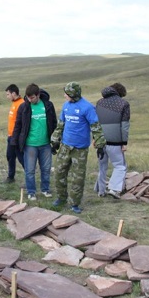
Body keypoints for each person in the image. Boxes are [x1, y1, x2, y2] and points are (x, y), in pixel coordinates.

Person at [50, 82, 106, 214]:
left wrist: (100, 145)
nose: (64, 95)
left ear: (73, 95)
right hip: (65, 146)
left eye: (67, 94)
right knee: (59, 173)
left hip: (79, 150)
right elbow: (60, 125)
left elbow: (96, 128)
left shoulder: (87, 108)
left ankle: (74, 203)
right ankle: (61, 198)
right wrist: (54, 141)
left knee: (78, 177)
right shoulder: (66, 106)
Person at [11, 83, 57, 201]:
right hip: (30, 144)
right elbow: (18, 125)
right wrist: (14, 141)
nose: (29, 100)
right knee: (30, 170)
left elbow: (54, 123)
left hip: (46, 144)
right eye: (28, 97)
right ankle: (31, 192)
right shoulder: (24, 107)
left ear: (38, 95)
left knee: (46, 169)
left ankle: (45, 189)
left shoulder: (48, 105)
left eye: (32, 97)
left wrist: (56, 140)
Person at [94, 83, 130, 199]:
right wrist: (124, 142)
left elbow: (95, 123)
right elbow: (124, 126)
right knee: (120, 166)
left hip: (101, 141)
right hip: (115, 142)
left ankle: (100, 190)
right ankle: (114, 189)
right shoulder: (123, 104)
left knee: (102, 166)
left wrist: (95, 139)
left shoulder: (99, 103)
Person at [4, 84, 25, 184]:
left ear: (13, 93)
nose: (7, 96)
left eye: (8, 94)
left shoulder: (21, 104)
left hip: (16, 137)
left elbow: (22, 123)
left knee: (21, 158)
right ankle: (10, 177)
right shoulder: (14, 103)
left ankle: (29, 176)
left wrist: (17, 137)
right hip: (10, 136)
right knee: (10, 156)